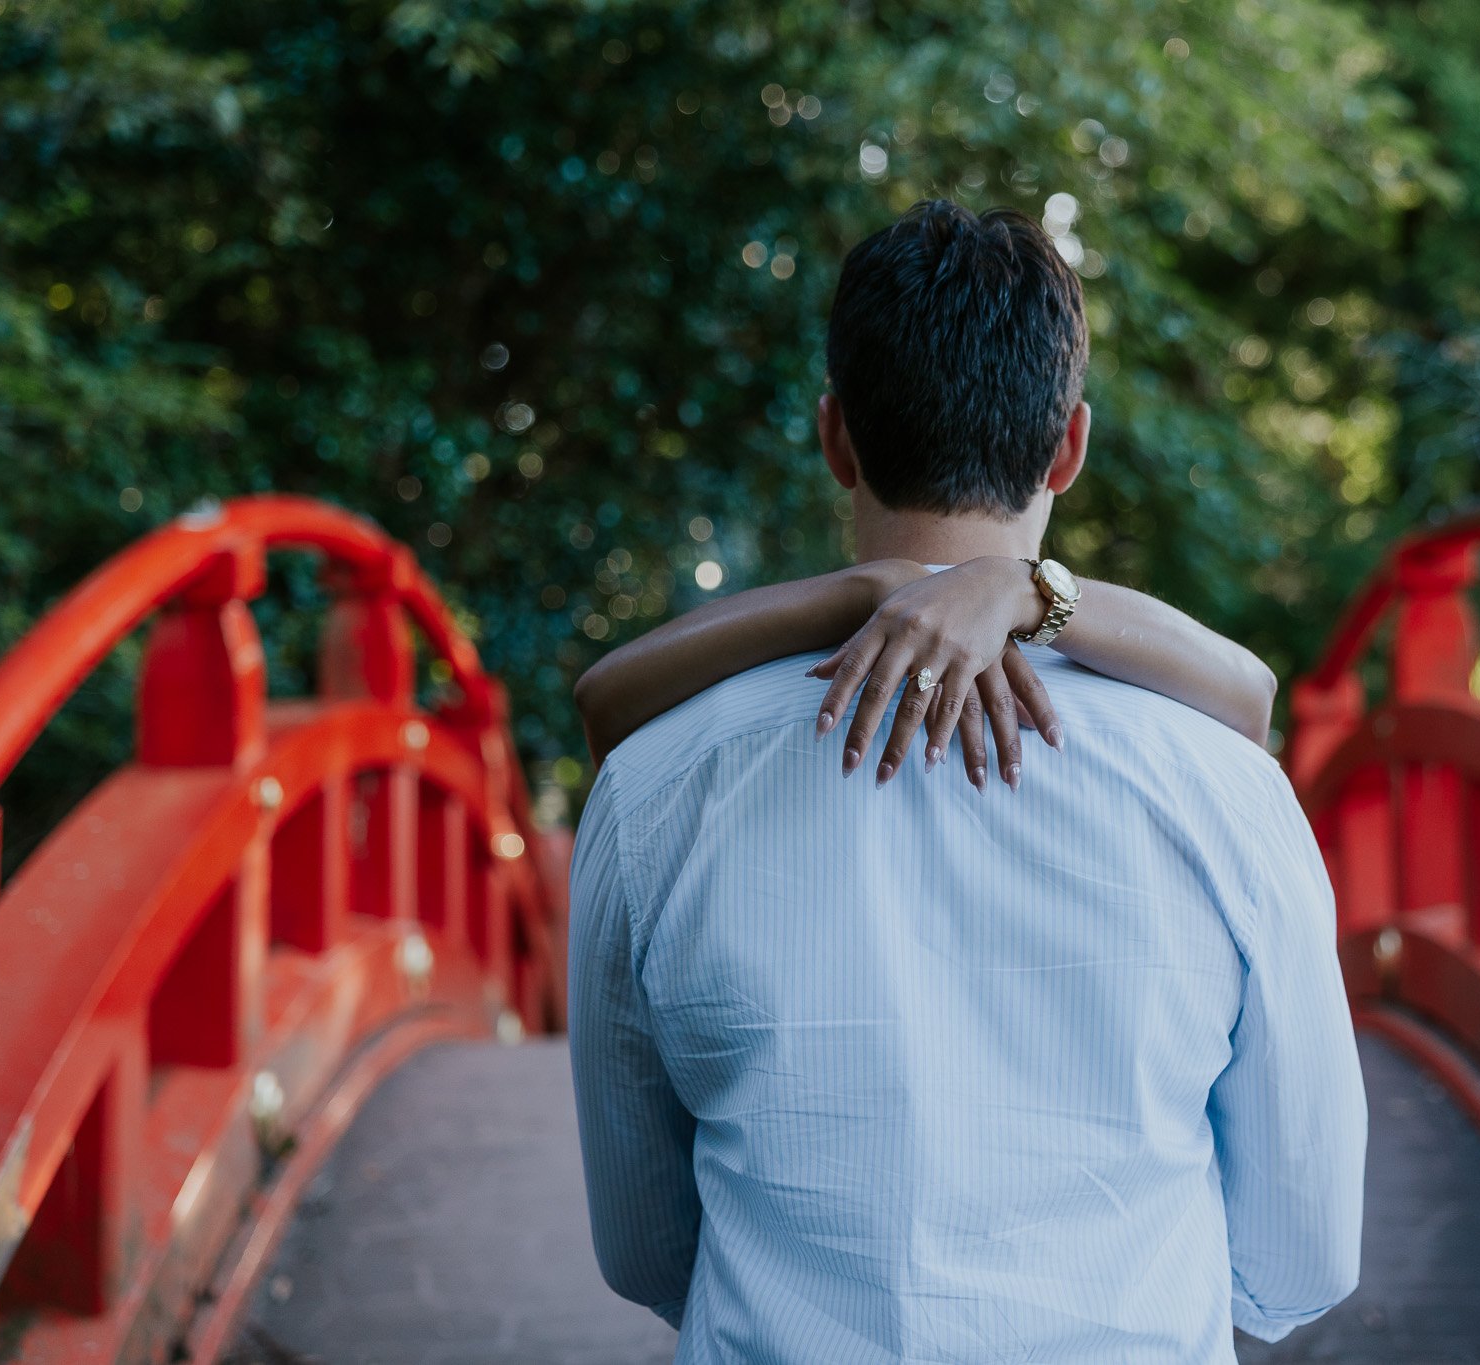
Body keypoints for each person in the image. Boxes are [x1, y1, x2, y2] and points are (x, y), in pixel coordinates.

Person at [566, 200, 1365, 1363]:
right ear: (1069, 447)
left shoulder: (657, 784)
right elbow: (1300, 1260)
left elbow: (644, 1251)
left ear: (835, 438)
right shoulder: (1221, 786)